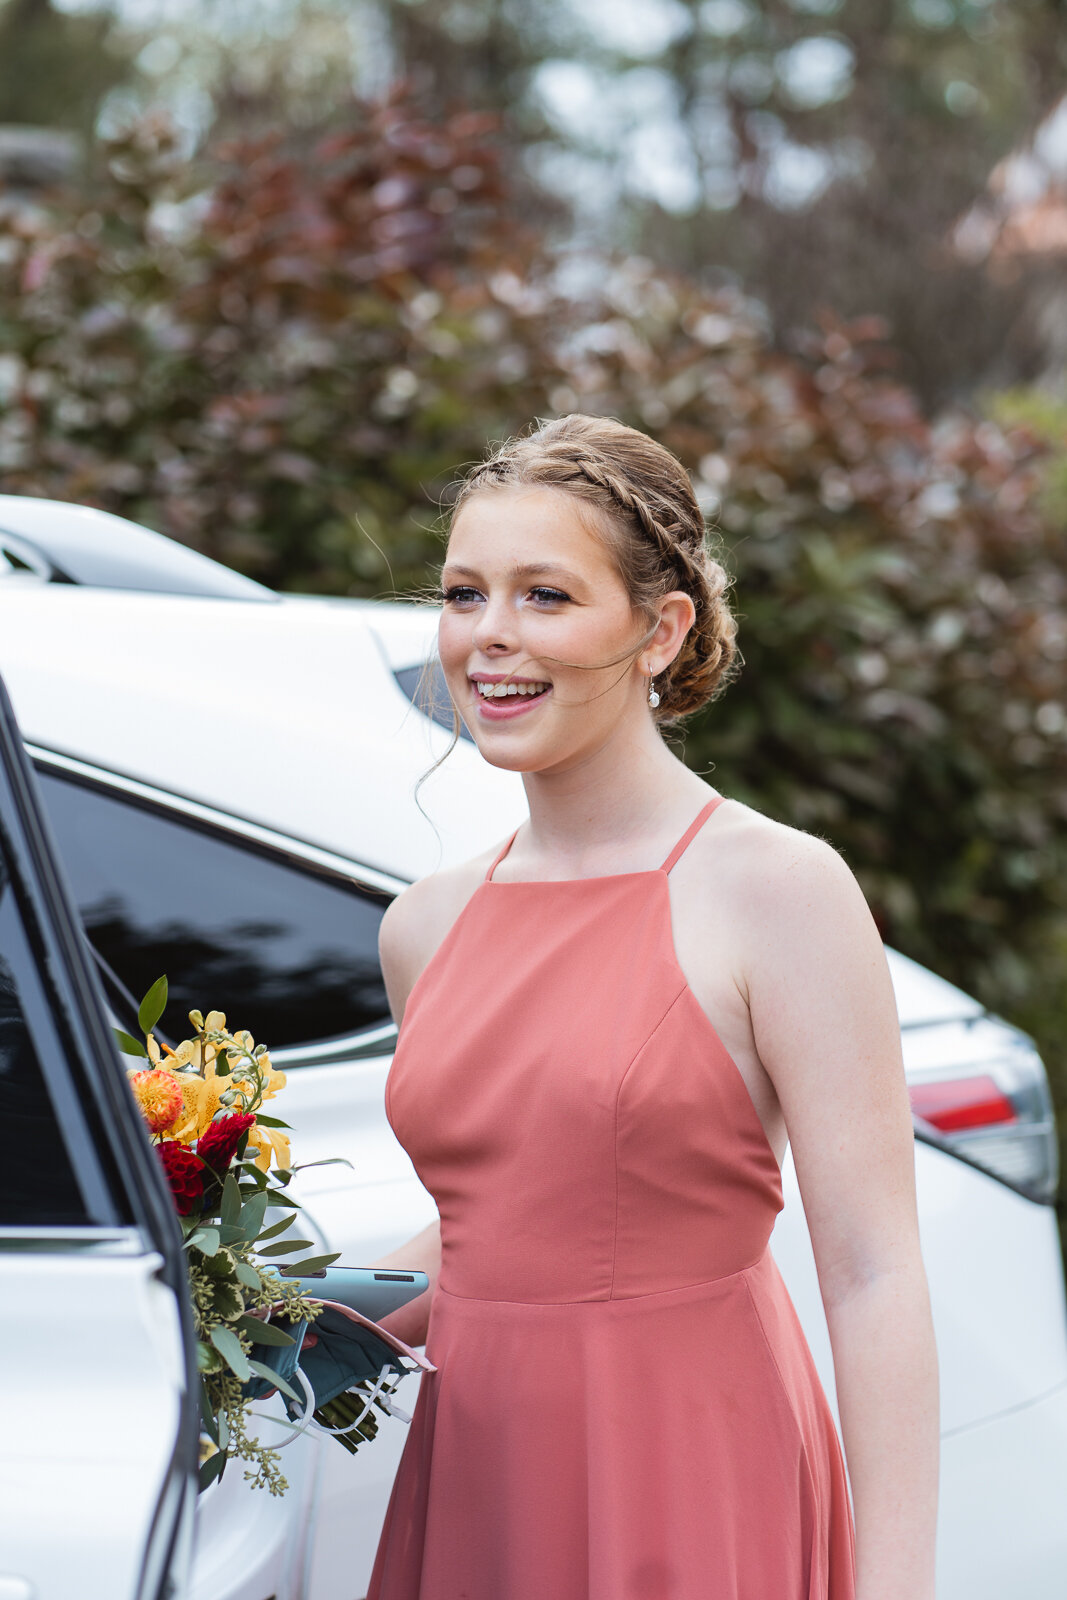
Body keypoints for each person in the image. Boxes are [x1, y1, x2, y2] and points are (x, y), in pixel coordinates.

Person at [367, 414, 939, 1600]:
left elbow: (873, 1270)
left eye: (545, 595)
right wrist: (273, 1320)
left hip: (692, 1463)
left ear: (658, 630)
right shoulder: (422, 924)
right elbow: (506, 1212)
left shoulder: (778, 890)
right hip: (480, 1480)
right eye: (465, 593)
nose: (491, 637)